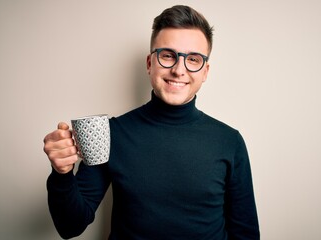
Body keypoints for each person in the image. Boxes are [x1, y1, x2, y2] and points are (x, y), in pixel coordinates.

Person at [43, 5, 260, 240]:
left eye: (193, 59)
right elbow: (70, 226)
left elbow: (245, 235)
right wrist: (61, 173)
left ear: (205, 71)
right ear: (150, 63)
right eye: (168, 55)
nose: (179, 70)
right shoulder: (111, 133)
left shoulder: (229, 141)